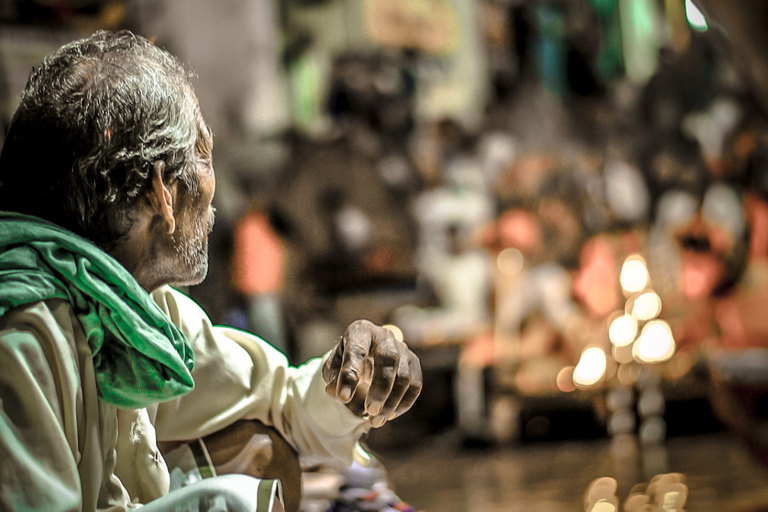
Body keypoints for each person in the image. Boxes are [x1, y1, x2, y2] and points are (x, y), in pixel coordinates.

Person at [0, 30, 422, 512]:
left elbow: (280, 405)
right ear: (163, 190)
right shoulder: (24, 333)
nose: (212, 185)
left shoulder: (136, 310)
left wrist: (350, 381)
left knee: (263, 452)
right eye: (203, 153)